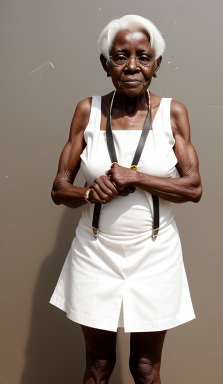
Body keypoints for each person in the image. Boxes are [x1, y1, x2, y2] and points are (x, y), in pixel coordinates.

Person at [49, 14, 202, 384]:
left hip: (155, 252)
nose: (132, 66)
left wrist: (138, 177)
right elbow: (59, 189)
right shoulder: (88, 111)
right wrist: (88, 192)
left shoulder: (172, 113)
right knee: (99, 365)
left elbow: (194, 187)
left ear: (156, 65)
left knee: (145, 367)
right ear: (106, 64)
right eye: (120, 56)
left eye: (143, 57)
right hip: (95, 252)